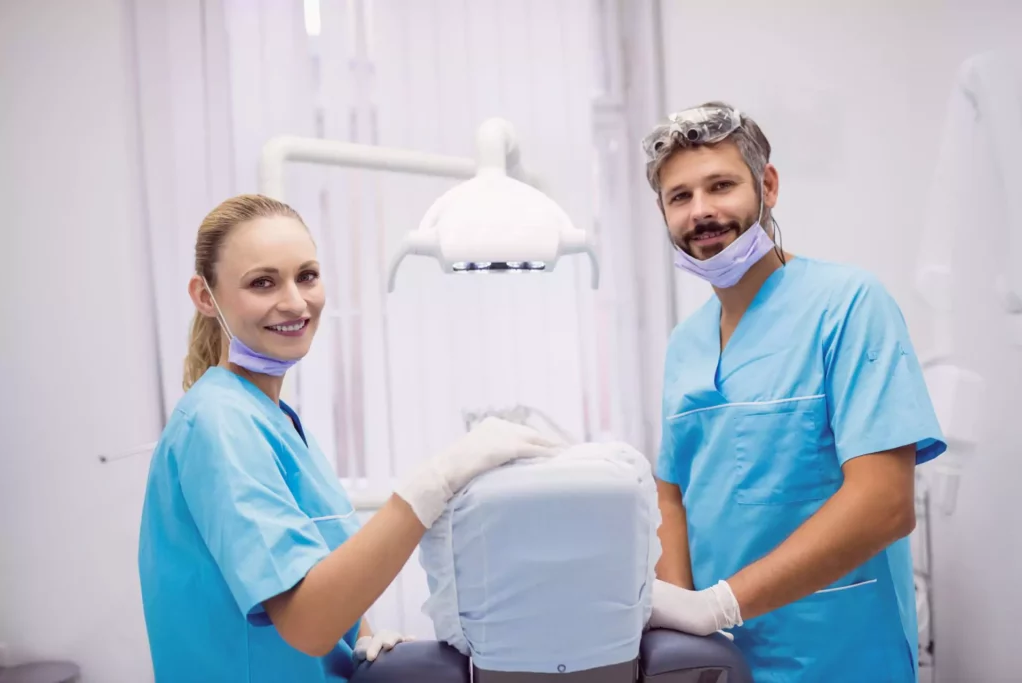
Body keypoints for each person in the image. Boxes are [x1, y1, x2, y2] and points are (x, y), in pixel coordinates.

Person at [137, 194, 561, 682]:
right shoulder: (216, 426)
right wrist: (434, 482)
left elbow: (310, 570)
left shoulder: (272, 420)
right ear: (205, 296)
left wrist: (362, 636)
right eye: (262, 282)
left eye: (307, 275)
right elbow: (308, 622)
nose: (295, 301)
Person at [640, 103, 946, 682]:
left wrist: (719, 604)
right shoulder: (686, 343)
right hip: (721, 662)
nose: (701, 212)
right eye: (679, 197)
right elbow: (672, 493)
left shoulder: (849, 306)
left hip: (840, 656)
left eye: (721, 185)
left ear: (768, 186)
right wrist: (682, 627)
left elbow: (885, 503)